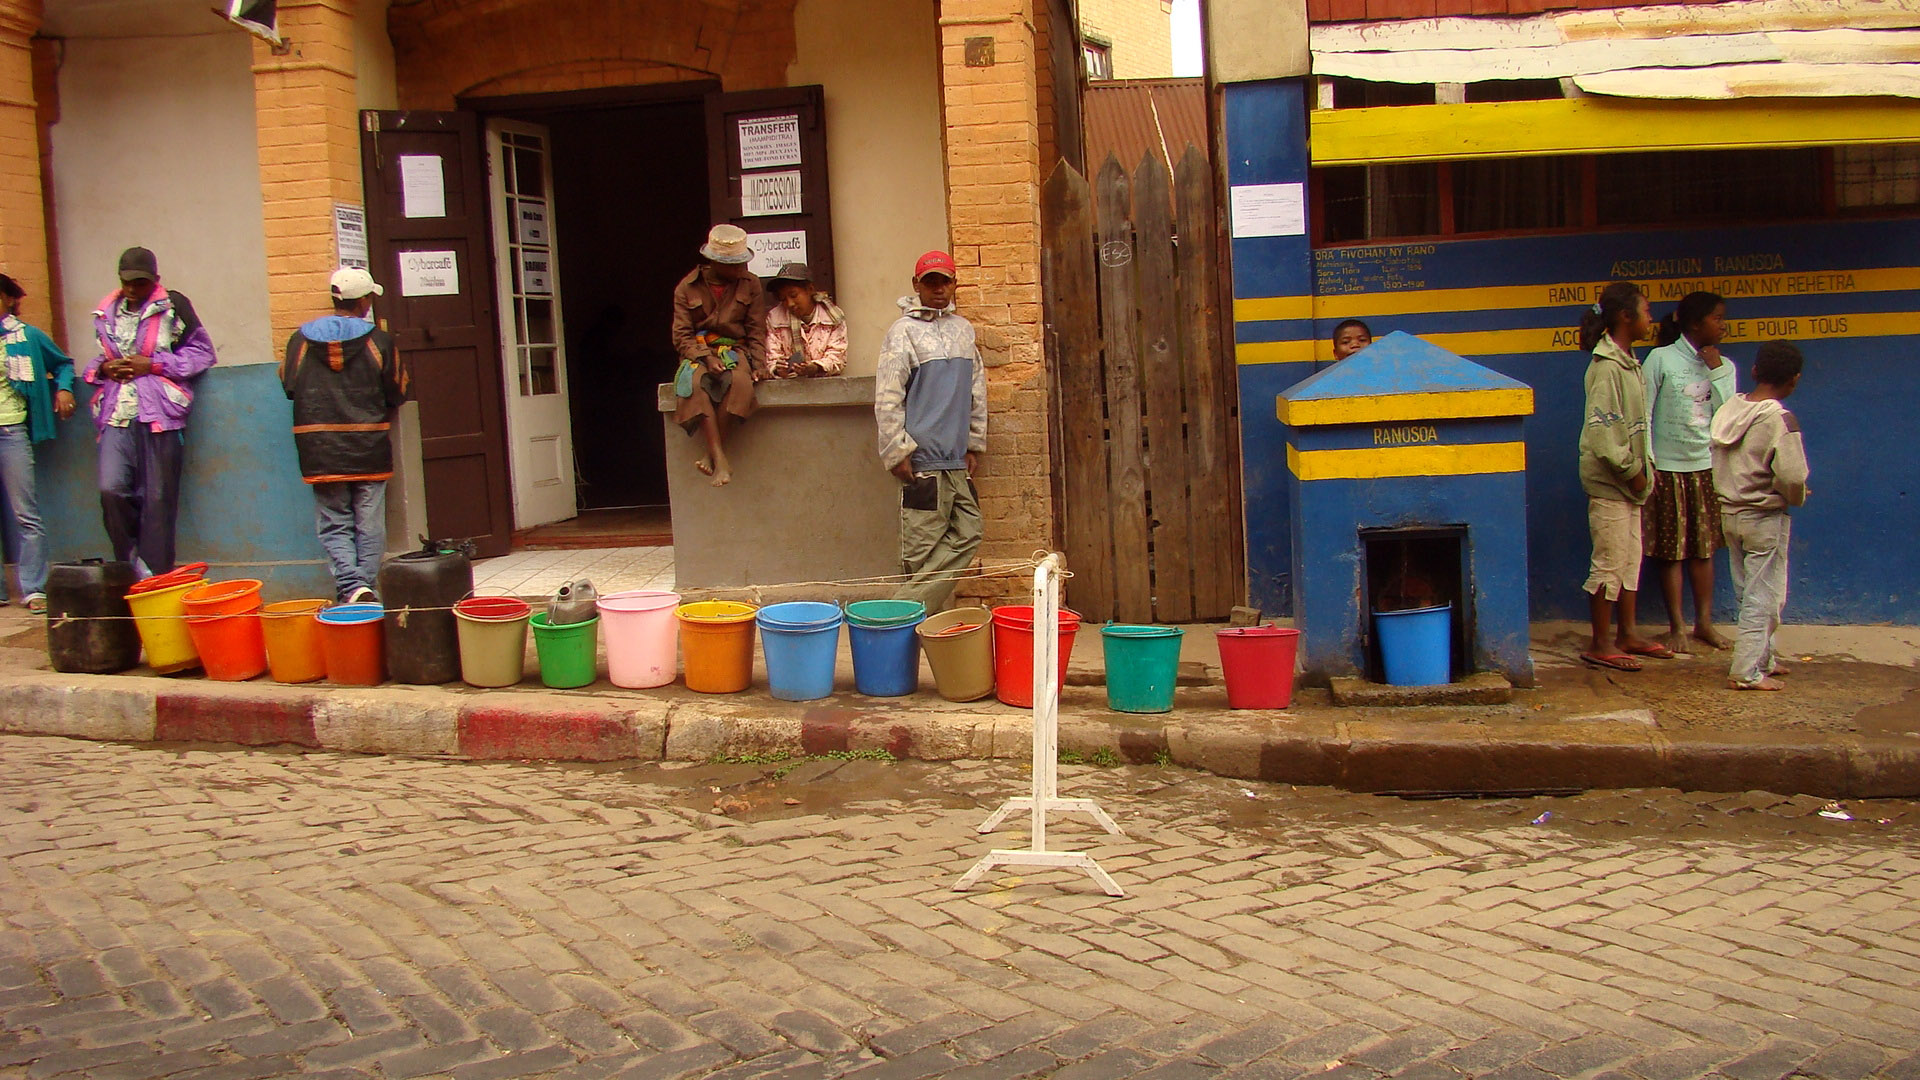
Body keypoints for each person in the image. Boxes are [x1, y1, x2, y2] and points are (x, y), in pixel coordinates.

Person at [83, 247, 217, 577]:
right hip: (117, 413)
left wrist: (154, 365)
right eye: (128, 282)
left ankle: (155, 579)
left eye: (141, 283)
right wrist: (105, 368)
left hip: (160, 415)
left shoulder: (173, 307)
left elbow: (202, 354)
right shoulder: (106, 313)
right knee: (111, 490)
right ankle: (128, 571)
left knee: (157, 501)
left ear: (155, 280)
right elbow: (101, 358)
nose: (133, 289)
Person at [281, 267, 406, 603]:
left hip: (320, 448)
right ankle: (364, 588)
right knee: (369, 523)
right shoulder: (379, 341)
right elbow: (397, 390)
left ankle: (351, 588)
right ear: (364, 301)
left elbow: (289, 384)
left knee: (334, 521)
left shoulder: (300, 340)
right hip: (369, 445)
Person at [875, 251, 985, 611]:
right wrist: (896, 449)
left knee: (969, 533)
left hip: (955, 459)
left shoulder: (963, 330)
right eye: (930, 281)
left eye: (945, 281)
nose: (939, 289)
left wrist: (973, 443)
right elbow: (888, 394)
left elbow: (976, 390)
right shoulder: (903, 332)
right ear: (916, 285)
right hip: (920, 459)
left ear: (955, 284)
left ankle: (896, 613)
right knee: (920, 552)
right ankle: (907, 628)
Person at [1576, 281, 1672, 672]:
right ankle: (1601, 641)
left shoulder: (1631, 364)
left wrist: (1647, 468)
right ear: (1624, 317)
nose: (1651, 318)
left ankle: (1627, 632)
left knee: (1630, 559)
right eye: (1646, 311)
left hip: (1632, 483)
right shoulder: (1606, 368)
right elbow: (1602, 434)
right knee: (1609, 562)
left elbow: (1638, 425)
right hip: (1612, 483)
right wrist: (1632, 470)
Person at [1643, 291, 1738, 656]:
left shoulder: (1723, 366)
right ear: (1696, 323)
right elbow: (1645, 412)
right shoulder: (1660, 359)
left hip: (1706, 467)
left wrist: (1715, 369)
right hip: (1668, 468)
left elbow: (1731, 415)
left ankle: (1704, 623)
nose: (1723, 325)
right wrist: (1649, 462)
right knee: (1672, 551)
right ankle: (1677, 626)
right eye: (1717, 318)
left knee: (1704, 550)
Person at [1711, 342, 1809, 692]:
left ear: (1754, 372)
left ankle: (1763, 658)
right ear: (1794, 380)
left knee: (1747, 591)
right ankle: (1746, 670)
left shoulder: (1729, 409)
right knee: (1765, 596)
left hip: (1730, 513)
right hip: (1764, 517)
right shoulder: (1779, 419)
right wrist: (1794, 498)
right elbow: (1794, 476)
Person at [0, 274, 77, 613]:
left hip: (11, 431)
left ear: (7, 299)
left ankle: (32, 588)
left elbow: (63, 364)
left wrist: (64, 389)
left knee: (24, 513)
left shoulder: (26, 336)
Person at [671, 224, 768, 487]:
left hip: (734, 350)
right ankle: (721, 459)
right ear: (713, 262)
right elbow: (681, 336)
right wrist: (705, 357)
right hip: (699, 352)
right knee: (693, 386)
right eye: (733, 264)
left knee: (740, 384)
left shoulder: (751, 285)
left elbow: (756, 329)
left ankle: (712, 454)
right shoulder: (686, 288)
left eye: (741, 263)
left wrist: (759, 364)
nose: (740, 269)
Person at [763, 263, 847, 378]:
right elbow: (771, 357)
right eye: (783, 299)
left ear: (810, 290)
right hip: (789, 387)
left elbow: (838, 357)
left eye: (793, 295)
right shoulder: (775, 318)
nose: (790, 303)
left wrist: (816, 367)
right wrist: (779, 369)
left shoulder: (833, 316)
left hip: (825, 385)